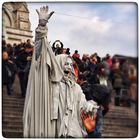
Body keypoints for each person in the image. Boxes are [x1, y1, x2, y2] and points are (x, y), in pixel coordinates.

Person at [23, 6, 98, 138]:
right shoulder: (50, 83)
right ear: (58, 65)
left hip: (72, 132)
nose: (69, 67)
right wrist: (41, 29)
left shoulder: (77, 88)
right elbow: (39, 57)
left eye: (71, 64)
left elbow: (83, 105)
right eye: (65, 64)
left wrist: (90, 106)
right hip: (53, 131)